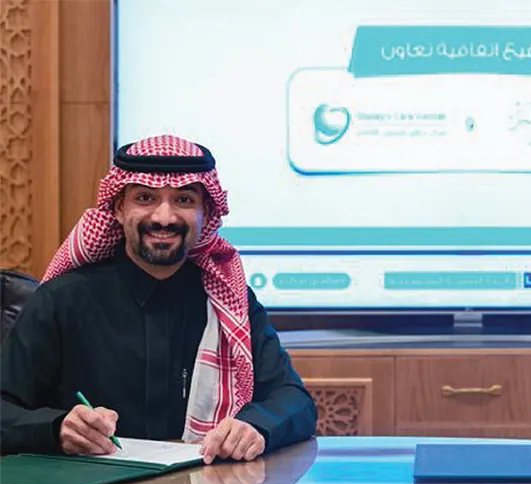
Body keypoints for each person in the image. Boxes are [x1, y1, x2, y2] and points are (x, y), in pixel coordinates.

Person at [1, 135, 317, 463]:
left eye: (184, 200)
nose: (164, 217)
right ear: (119, 208)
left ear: (206, 213)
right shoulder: (62, 301)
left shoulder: (227, 301)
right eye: (145, 198)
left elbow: (294, 401)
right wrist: (56, 428)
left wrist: (255, 427)